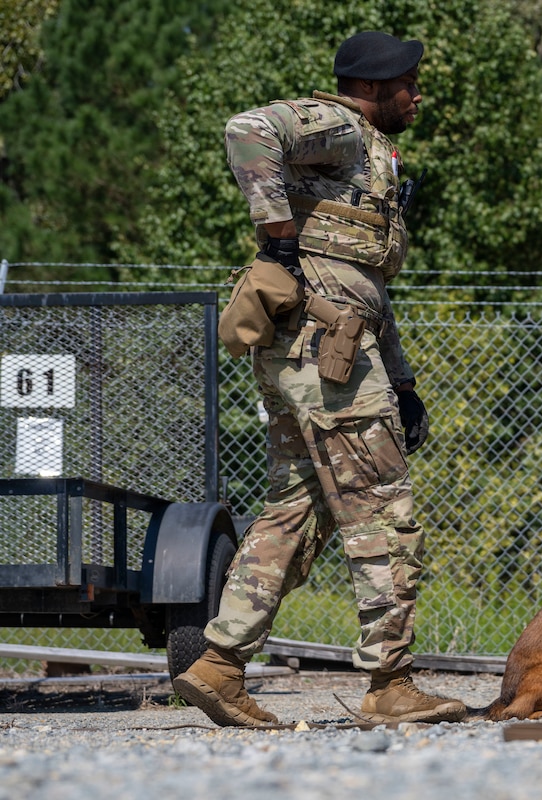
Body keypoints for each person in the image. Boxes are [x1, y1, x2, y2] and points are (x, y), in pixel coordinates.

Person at [173, 30, 466, 727]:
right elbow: (248, 129)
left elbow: (362, 288)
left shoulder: (365, 154)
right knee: (383, 513)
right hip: (326, 359)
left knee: (294, 513)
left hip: (317, 352)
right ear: (370, 87)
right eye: (407, 83)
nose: (417, 94)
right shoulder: (340, 125)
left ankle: (218, 665)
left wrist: (401, 383)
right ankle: (389, 684)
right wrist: (277, 236)